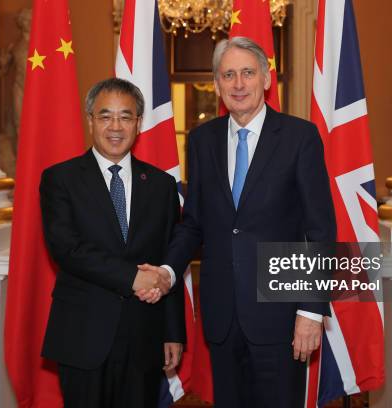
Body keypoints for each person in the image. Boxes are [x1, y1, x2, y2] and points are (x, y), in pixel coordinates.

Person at [139, 37, 336, 407]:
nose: (238, 84)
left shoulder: (299, 137)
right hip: (223, 318)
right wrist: (167, 270)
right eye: (228, 75)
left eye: (247, 73)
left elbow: (320, 230)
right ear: (216, 85)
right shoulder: (202, 141)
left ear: (265, 79)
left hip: (281, 316)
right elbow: (194, 222)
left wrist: (310, 310)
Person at [39, 78, 185, 408]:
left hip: (144, 338)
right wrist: (133, 277)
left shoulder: (161, 185)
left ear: (138, 122)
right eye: (105, 116)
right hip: (83, 336)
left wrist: (172, 332)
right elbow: (67, 249)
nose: (115, 126)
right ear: (90, 119)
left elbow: (168, 260)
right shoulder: (60, 179)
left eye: (125, 116)